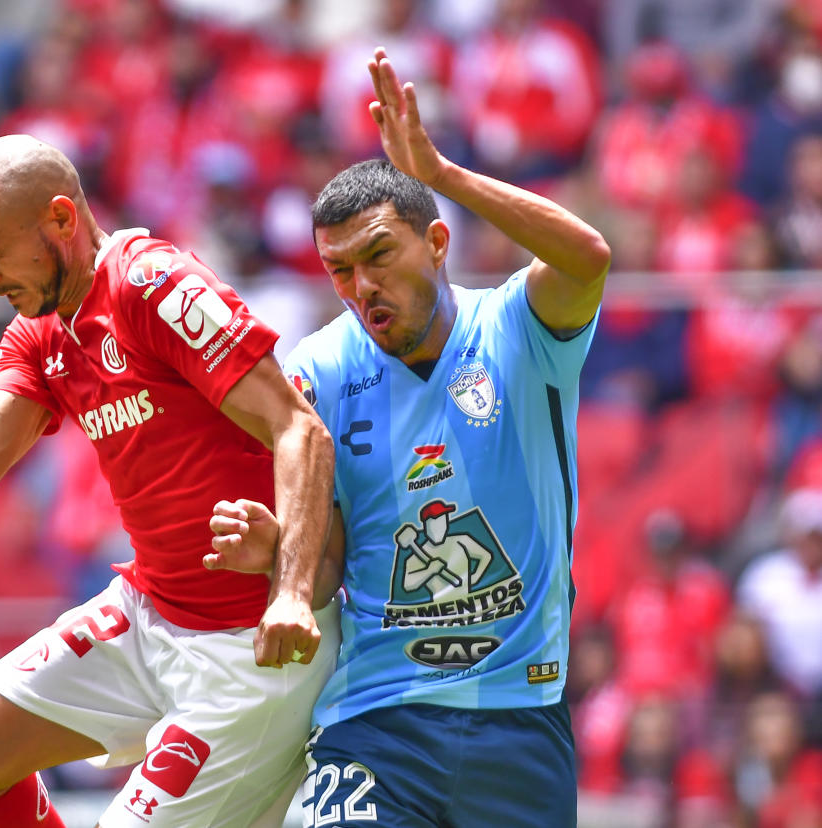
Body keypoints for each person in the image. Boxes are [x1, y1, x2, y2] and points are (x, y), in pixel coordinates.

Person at [0, 134, 338, 828]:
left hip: (252, 648)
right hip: (150, 614)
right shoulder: (40, 331)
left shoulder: (153, 283)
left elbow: (300, 429)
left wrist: (291, 592)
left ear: (60, 219)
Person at [208, 48, 610, 826]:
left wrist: (442, 173)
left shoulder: (517, 328)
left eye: (378, 257)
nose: (363, 289)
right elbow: (326, 571)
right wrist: (279, 554)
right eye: (339, 271)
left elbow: (587, 255)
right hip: (379, 722)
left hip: (520, 719)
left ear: (436, 241)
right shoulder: (317, 371)